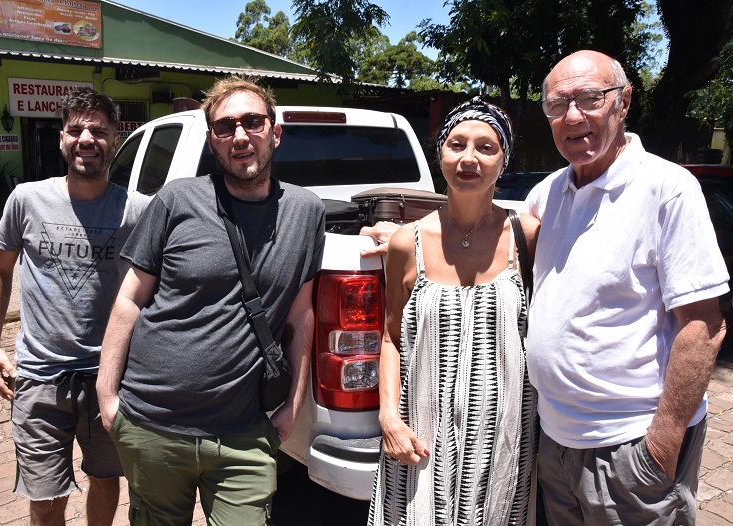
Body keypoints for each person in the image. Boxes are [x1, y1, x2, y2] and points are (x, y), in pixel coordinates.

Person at [96, 76, 325, 526]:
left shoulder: (307, 211)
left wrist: (294, 406)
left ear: (274, 132)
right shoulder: (178, 199)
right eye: (225, 127)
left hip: (243, 434)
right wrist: (107, 395)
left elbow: (302, 314)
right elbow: (130, 298)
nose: (240, 136)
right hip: (151, 424)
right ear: (212, 141)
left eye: (252, 122)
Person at [525, 50, 729, 525]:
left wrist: (661, 443)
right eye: (558, 106)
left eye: (590, 98)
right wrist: (404, 235)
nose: (573, 116)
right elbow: (483, 234)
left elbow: (703, 324)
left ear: (623, 101)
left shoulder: (667, 188)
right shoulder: (547, 193)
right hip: (555, 441)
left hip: (630, 448)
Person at [367, 97, 540, 526]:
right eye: (457, 144)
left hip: (503, 440)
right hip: (420, 434)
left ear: (504, 163)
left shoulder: (528, 236)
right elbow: (390, 337)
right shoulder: (408, 243)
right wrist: (388, 417)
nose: (469, 158)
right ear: (439, 152)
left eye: (486, 147)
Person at [0, 87, 150, 526]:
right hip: (39, 378)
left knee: (107, 477)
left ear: (116, 140)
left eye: (99, 130)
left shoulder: (138, 211)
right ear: (61, 139)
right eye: (76, 129)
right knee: (44, 497)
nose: (87, 138)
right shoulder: (26, 200)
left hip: (108, 378)